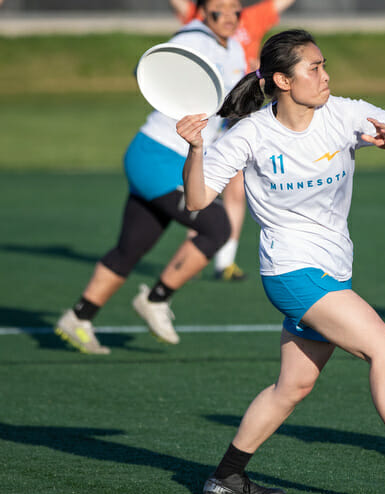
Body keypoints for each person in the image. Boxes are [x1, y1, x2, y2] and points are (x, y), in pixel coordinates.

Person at [177, 29, 385, 494]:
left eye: (323, 65)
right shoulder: (250, 134)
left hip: (333, 268)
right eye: (313, 68)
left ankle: (226, 476)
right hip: (292, 272)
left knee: (291, 387)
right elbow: (196, 199)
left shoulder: (342, 114)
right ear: (281, 79)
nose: (325, 75)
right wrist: (196, 149)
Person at [54, 0, 247, 354]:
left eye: (236, 9)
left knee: (131, 248)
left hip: (173, 158)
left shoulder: (234, 46)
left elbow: (227, 105)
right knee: (216, 226)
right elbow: (149, 70)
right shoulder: (193, 39)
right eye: (220, 9)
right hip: (158, 155)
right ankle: (156, 299)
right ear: (203, 12)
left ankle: (79, 317)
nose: (230, 16)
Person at [169, 0, 298, 281]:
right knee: (199, 194)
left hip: (235, 114)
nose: (228, 14)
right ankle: (193, 256)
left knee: (236, 190)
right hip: (204, 119)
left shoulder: (249, 17)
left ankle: (224, 261)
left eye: (233, 7)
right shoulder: (201, 19)